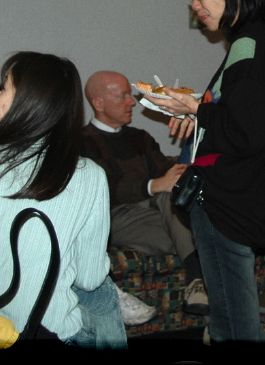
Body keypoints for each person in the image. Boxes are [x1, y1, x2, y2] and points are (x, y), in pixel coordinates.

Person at [150, 0, 265, 344]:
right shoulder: (252, 40)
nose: (194, 4)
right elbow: (240, 116)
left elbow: (246, 128)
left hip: (228, 202)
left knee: (236, 329)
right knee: (229, 326)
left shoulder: (250, 41)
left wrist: (197, 108)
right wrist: (196, 114)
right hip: (234, 200)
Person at [0, 52, 124, 347]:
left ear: (29, 102)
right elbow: (89, 278)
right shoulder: (90, 175)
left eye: (3, 88)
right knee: (103, 288)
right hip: (52, 332)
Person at [81, 71, 209, 317]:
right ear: (99, 103)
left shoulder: (141, 138)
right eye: (123, 96)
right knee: (196, 234)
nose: (132, 102)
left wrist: (178, 176)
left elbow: (166, 177)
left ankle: (201, 291)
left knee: (174, 201)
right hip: (117, 218)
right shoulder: (80, 142)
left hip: (159, 214)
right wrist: (153, 185)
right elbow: (103, 190)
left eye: (130, 95)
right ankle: (198, 280)